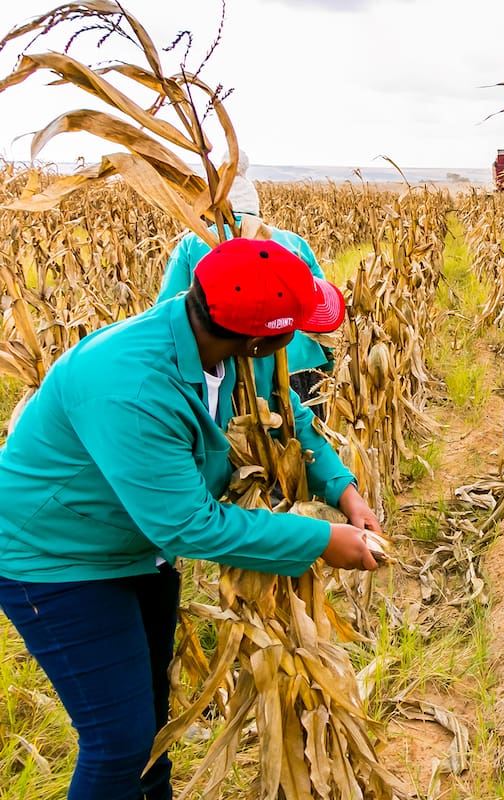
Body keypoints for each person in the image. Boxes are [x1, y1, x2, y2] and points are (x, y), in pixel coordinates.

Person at [0, 238, 381, 800]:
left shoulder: (222, 346)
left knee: (152, 730)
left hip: (133, 547)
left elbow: (288, 417)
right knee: (119, 743)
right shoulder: (131, 387)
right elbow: (189, 526)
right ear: (258, 340)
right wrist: (322, 539)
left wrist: (344, 492)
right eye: (295, 332)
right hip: (56, 559)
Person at [157, 152, 333, 414]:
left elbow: (168, 308)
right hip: (300, 365)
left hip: (232, 373)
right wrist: (328, 363)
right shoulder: (293, 243)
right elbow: (319, 314)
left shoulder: (192, 243)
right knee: (302, 432)